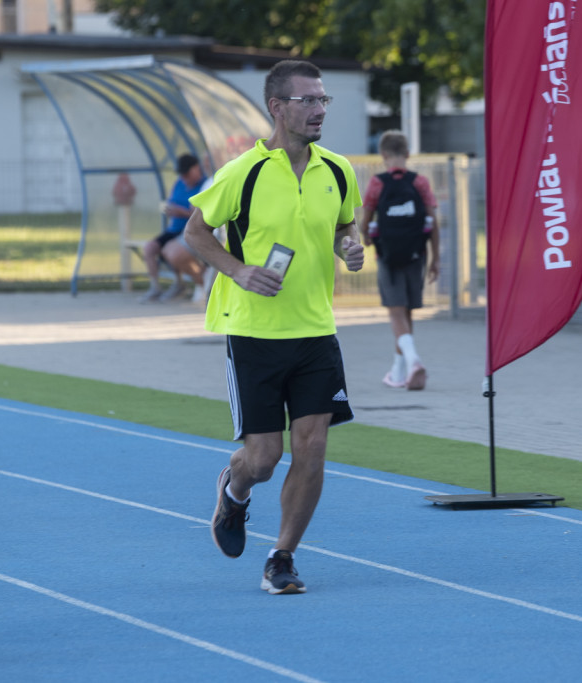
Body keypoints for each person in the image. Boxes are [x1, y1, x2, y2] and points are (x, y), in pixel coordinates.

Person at [184, 59, 365, 595]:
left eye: (323, 100)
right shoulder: (244, 171)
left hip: (315, 332)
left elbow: (345, 224)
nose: (318, 110)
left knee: (312, 448)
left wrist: (350, 246)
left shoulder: (337, 169)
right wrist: (238, 270)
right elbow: (196, 232)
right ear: (277, 108)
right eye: (308, 101)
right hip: (255, 334)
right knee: (264, 458)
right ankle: (234, 491)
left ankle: (282, 556)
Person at [357, 130, 440, 391]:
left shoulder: (377, 183)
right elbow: (433, 222)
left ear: (383, 155)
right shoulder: (420, 182)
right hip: (417, 254)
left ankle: (413, 362)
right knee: (406, 312)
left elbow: (365, 220)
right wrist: (435, 258)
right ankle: (398, 371)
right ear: (407, 154)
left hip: (388, 255)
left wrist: (368, 239)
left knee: (395, 311)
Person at [139, 154, 208, 303]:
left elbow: (198, 214)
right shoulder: (179, 183)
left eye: (186, 173)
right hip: (174, 229)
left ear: (196, 169)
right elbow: (169, 203)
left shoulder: (205, 185)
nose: (184, 177)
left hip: (189, 231)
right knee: (150, 248)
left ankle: (194, 283)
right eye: (181, 174)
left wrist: (181, 212)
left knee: (171, 251)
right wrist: (169, 209)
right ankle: (156, 287)